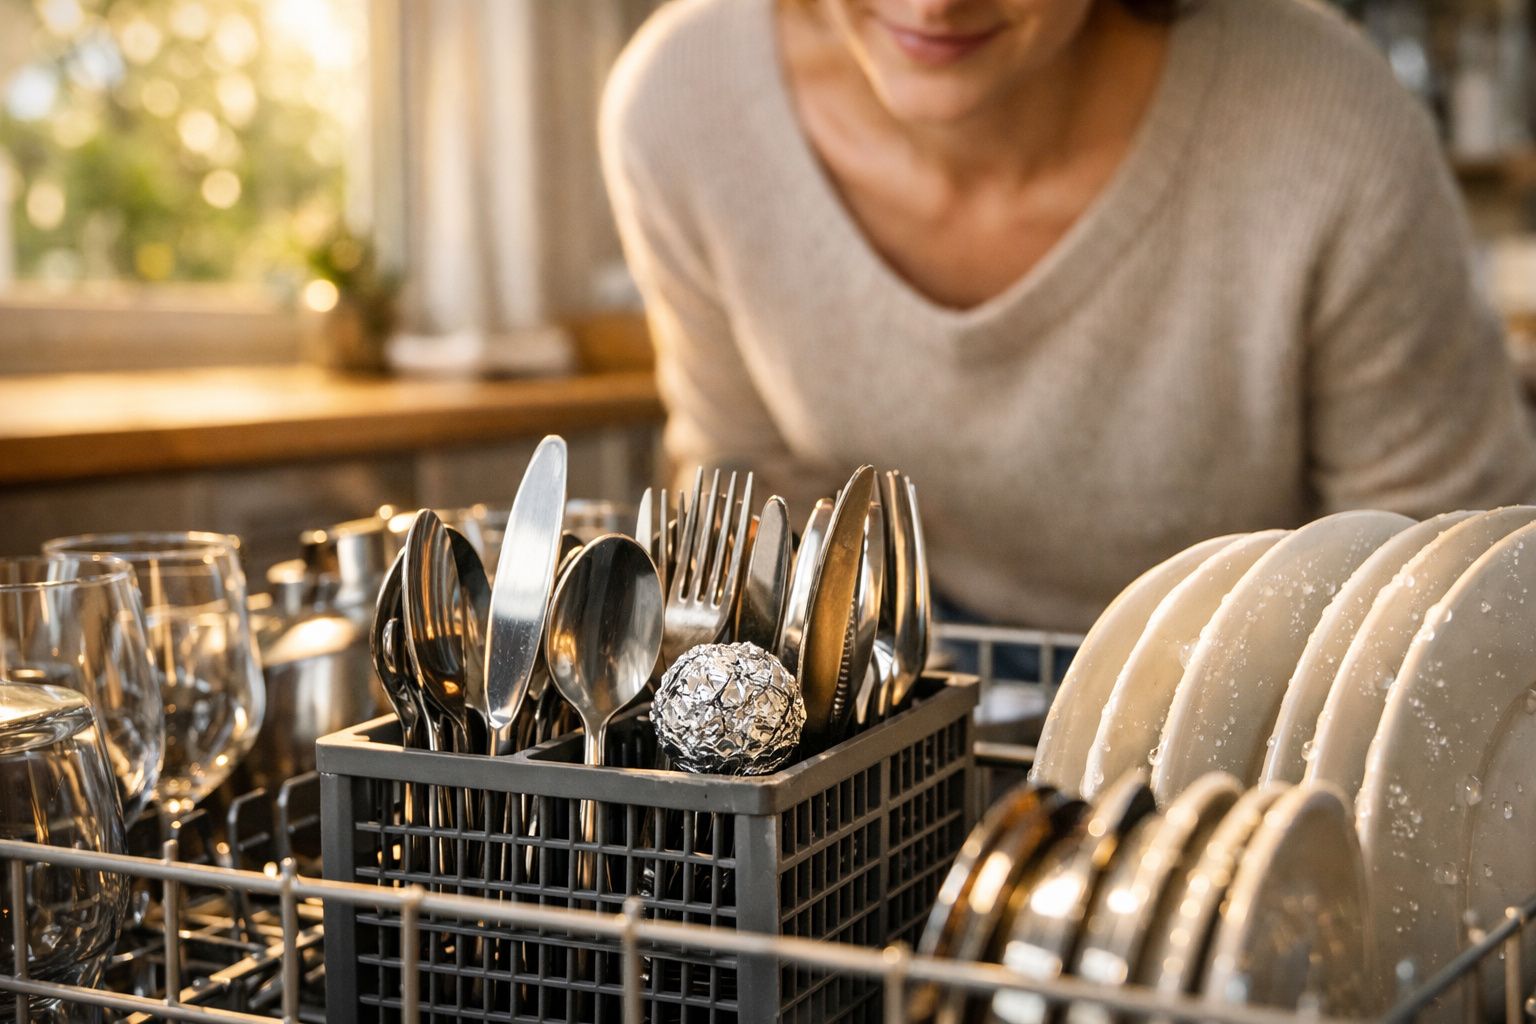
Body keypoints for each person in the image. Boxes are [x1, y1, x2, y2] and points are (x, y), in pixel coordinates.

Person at [599, 0, 1536, 634]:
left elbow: (1448, 580)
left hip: (1270, 702)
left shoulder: (1328, 121)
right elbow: (753, 499)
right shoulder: (683, 106)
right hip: (898, 685)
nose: (930, 4)